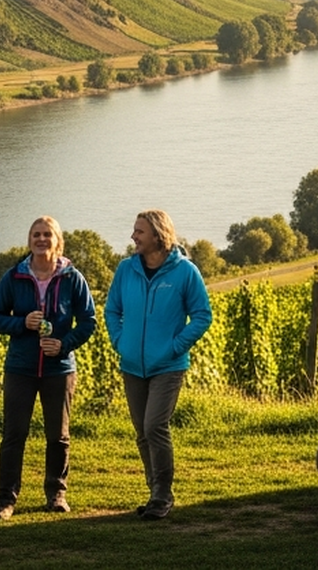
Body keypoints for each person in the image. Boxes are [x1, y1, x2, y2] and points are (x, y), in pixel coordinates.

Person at [106, 208, 213, 520]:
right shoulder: (126, 270)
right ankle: (154, 492)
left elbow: (202, 315)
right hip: (132, 366)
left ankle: (163, 494)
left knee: (155, 425)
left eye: (139, 232)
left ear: (157, 234)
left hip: (168, 365)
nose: (133, 237)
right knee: (141, 431)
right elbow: (112, 310)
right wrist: (120, 342)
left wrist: (175, 346)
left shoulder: (185, 272)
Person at [0, 215, 97, 518]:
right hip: (20, 367)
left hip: (59, 369)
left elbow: (89, 321)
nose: (41, 239)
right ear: (29, 240)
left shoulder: (72, 278)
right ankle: (6, 501)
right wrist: (21, 323)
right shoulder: (14, 276)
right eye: (36, 234)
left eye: (47, 234)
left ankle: (56, 495)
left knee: (58, 436)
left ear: (57, 240)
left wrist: (64, 344)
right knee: (14, 435)